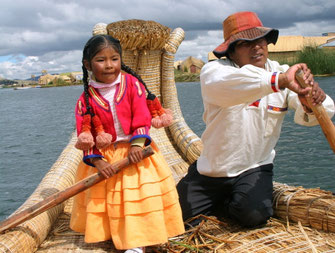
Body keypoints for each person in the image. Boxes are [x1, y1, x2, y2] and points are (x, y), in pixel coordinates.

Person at [177, 11, 335, 229]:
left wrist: (311, 101)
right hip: (213, 170)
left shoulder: (282, 73)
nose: (256, 47)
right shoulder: (215, 71)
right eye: (245, 43)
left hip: (255, 167)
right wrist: (281, 81)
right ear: (231, 52)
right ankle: (220, 200)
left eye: (260, 40)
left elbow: (309, 115)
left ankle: (231, 203)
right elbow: (237, 84)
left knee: (254, 216)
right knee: (178, 217)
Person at [70, 34, 185, 253]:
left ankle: (137, 242)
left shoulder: (132, 84)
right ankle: (114, 234)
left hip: (135, 152)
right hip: (105, 157)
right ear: (87, 65)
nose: (109, 65)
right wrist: (98, 162)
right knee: (110, 200)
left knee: (137, 197)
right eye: (101, 60)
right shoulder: (85, 100)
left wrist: (136, 146)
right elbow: (86, 134)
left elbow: (141, 115)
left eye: (114, 59)